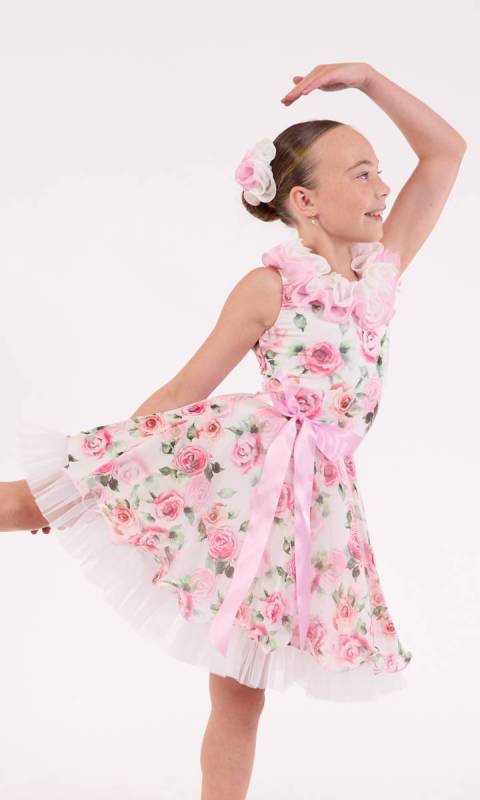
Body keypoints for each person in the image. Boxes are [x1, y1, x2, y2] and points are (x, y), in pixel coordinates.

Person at [1, 62, 466, 800]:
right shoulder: (268, 287)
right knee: (34, 500)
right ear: (305, 201)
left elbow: (445, 152)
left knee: (242, 698)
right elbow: (184, 390)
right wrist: (105, 477)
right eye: (363, 174)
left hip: (303, 508)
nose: (383, 188)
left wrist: (368, 79)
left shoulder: (380, 273)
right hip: (236, 464)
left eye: (380, 173)